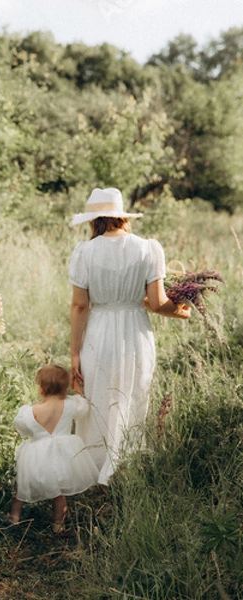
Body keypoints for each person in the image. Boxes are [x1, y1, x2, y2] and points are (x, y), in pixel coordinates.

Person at [69, 187, 191, 486]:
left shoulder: (84, 252)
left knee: (98, 395)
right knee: (132, 393)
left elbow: (80, 305)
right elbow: (158, 302)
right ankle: (126, 466)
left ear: (94, 220)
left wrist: (74, 353)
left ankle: (95, 467)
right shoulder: (148, 249)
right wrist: (184, 311)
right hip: (134, 330)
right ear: (121, 217)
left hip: (98, 329)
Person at [8, 364, 99, 532]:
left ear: (41, 389)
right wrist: (77, 387)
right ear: (65, 388)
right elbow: (84, 406)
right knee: (58, 494)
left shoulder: (31, 411)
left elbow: (23, 429)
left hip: (36, 460)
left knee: (21, 491)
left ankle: (14, 518)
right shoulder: (70, 405)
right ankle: (58, 525)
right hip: (62, 458)